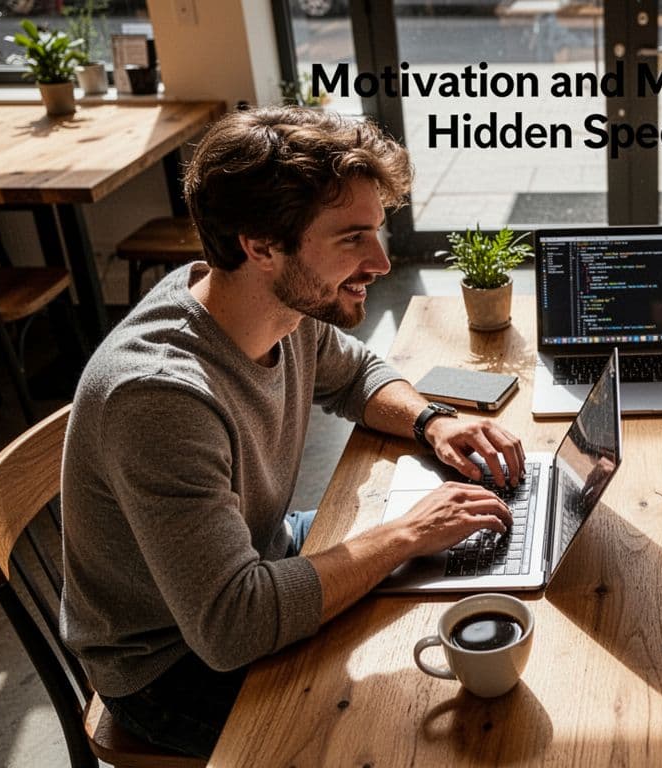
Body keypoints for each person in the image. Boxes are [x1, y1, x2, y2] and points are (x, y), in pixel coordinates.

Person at [60, 107, 525, 758]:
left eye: (378, 232)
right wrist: (407, 533)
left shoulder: (271, 303)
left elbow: (356, 371)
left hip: (266, 557)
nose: (382, 263)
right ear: (260, 245)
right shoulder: (160, 399)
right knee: (420, 729)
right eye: (351, 239)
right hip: (175, 667)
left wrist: (433, 421)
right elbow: (232, 625)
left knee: (479, 576)